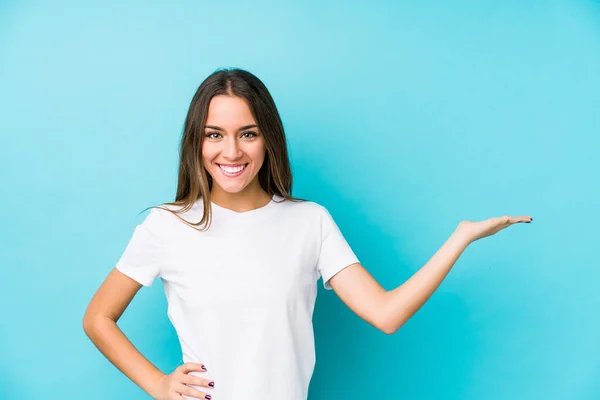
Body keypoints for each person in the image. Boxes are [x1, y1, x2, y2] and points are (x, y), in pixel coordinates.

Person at [82, 67, 533, 400]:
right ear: (196, 143)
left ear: (268, 139)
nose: (231, 151)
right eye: (214, 134)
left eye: (248, 134)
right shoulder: (167, 225)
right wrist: (159, 384)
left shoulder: (309, 221)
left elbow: (387, 314)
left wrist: (460, 238)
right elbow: (98, 318)